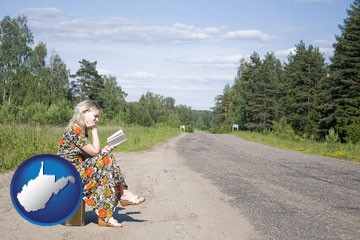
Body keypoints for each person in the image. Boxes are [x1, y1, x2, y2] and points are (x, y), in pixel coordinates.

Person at [58, 100, 145, 227]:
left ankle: (107, 215)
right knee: (106, 159)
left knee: (106, 160)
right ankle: (121, 195)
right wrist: (94, 129)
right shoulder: (75, 131)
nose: (97, 120)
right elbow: (94, 152)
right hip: (68, 174)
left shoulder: (81, 130)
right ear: (85, 112)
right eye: (95, 116)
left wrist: (103, 151)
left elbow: (89, 154)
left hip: (76, 169)